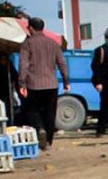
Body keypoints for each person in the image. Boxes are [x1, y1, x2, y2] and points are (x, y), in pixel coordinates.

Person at [19, 17, 70, 149]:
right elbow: (62, 63)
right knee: (50, 112)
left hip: (33, 84)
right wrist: (66, 81)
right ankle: (48, 140)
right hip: (51, 84)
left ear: (30, 28)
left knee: (32, 110)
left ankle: (39, 128)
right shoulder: (53, 43)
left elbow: (23, 65)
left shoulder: (27, 43)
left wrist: (21, 84)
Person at [0, 52, 19, 125]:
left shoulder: (10, 67)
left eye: (5, 59)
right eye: (2, 59)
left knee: (8, 109)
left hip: (8, 93)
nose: (4, 61)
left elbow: (15, 77)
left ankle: (10, 123)